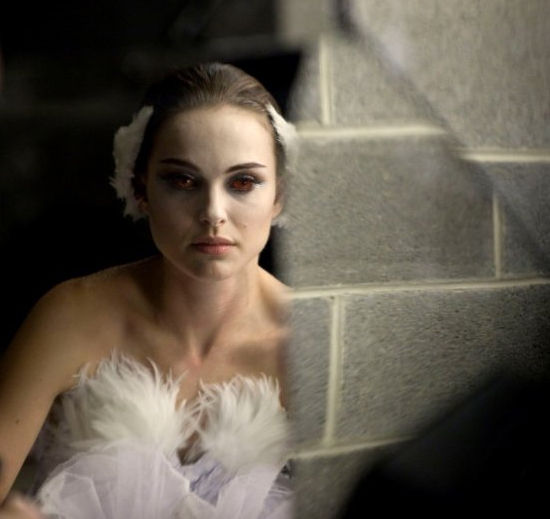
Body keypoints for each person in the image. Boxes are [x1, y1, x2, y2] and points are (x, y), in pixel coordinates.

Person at [0, 62, 297, 518]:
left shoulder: (306, 341)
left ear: (278, 195)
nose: (213, 212)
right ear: (140, 189)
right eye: (182, 180)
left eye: (242, 182)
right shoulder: (71, 318)